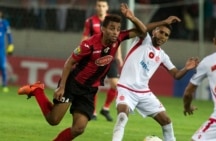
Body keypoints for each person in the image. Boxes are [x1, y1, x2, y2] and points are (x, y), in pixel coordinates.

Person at [17, 3, 147, 141]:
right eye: (112, 28)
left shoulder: (119, 38)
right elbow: (69, 63)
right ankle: (38, 91)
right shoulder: (88, 44)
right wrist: (62, 87)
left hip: (89, 90)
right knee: (53, 120)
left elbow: (143, 31)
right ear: (103, 29)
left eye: (118, 29)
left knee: (79, 128)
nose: (116, 32)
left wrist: (132, 17)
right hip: (73, 84)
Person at [112, 16, 199, 141]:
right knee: (122, 116)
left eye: (166, 35)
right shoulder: (143, 39)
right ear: (154, 32)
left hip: (144, 92)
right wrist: (162, 21)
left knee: (167, 121)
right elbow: (142, 28)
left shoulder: (162, 56)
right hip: (126, 88)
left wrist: (186, 68)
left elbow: (176, 75)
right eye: (161, 32)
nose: (163, 36)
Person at [81, 0, 123, 121]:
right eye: (99, 5)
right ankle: (93, 111)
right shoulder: (90, 21)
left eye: (103, 6)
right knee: (94, 85)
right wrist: (83, 53)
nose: (101, 8)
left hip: (110, 57)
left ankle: (105, 108)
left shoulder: (112, 21)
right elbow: (84, 38)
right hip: (96, 57)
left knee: (115, 85)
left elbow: (117, 39)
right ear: (96, 7)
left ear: (107, 7)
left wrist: (119, 56)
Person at [0, 9, 14, 93]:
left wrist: (11, 44)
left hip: (1, 49)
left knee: (3, 67)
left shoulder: (4, 23)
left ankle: (5, 85)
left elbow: (9, 34)